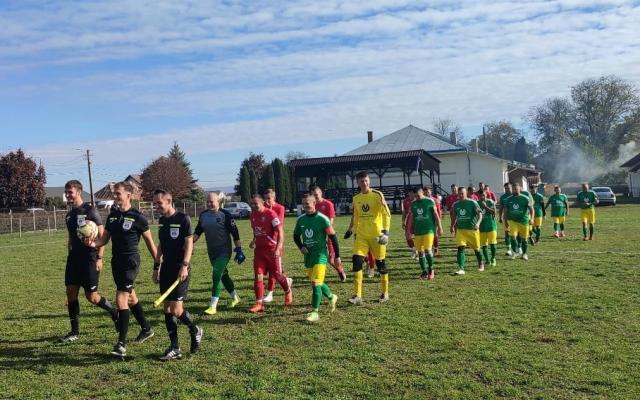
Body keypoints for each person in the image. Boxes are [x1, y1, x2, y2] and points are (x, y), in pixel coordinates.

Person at [89, 181, 158, 358]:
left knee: (121, 299)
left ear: (129, 195)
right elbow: (103, 240)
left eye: (118, 193)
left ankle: (121, 345)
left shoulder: (138, 217)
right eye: (114, 194)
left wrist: (158, 263)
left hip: (130, 262)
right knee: (131, 297)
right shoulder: (112, 217)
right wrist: (92, 243)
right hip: (116, 262)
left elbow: (150, 243)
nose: (115, 196)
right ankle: (147, 328)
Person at [59, 180, 118, 343]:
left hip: (90, 259)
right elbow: (71, 237)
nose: (68, 195)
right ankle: (74, 331)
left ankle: (113, 311)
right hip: (74, 260)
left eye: (70, 192)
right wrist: (69, 252)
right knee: (70, 292)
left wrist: (99, 257)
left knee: (91, 297)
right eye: (66, 192)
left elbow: (102, 236)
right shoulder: (69, 215)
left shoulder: (90, 210)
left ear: (79, 192)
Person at [152, 189, 203, 361]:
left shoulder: (183, 219)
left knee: (176, 309)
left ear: (169, 200)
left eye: (159, 203)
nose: (156, 206)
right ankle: (175, 347)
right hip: (166, 268)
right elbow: (161, 245)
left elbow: (189, 244)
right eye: (155, 203)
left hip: (181, 268)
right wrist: (156, 266)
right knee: (166, 308)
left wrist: (185, 265)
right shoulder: (161, 221)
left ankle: (195, 329)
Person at [344, 171, 391, 304]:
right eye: (361, 181)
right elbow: (356, 216)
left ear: (369, 181)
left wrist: (385, 232)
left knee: (381, 264)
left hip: (377, 236)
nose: (364, 183)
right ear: (357, 183)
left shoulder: (377, 195)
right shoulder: (356, 198)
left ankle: (385, 293)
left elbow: (386, 214)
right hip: (362, 236)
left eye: (366, 181)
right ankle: (358, 296)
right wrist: (351, 229)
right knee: (357, 261)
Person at [193, 192, 243, 315]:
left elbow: (235, 233)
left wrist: (239, 250)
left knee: (216, 275)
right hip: (212, 252)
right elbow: (197, 232)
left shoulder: (225, 215)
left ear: (218, 202)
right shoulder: (203, 215)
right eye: (208, 202)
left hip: (224, 251)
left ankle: (213, 306)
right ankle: (236, 298)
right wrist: (189, 245)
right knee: (223, 275)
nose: (209, 204)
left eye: (212, 202)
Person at [293, 194, 341, 322]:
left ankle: (315, 312)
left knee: (315, 283)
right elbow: (296, 236)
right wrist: (301, 246)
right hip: (308, 256)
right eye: (303, 203)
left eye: (308, 203)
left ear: (314, 203)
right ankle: (331, 297)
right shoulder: (301, 219)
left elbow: (333, 238)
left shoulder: (322, 219)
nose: (305, 205)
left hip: (321, 254)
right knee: (317, 282)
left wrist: (337, 256)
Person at [248, 194, 292, 313]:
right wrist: (253, 240)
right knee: (258, 276)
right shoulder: (252, 215)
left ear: (262, 202)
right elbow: (256, 231)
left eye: (255, 203)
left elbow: (280, 232)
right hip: (259, 251)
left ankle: (288, 291)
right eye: (251, 203)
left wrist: (278, 248)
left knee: (278, 275)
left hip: (272, 250)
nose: (253, 206)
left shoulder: (270, 214)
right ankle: (259, 303)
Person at [310, 184, 347, 282]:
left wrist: (325, 233)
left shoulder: (328, 204)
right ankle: (317, 274)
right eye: (313, 195)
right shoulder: (313, 205)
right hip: (317, 236)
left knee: (331, 259)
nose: (316, 197)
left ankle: (340, 270)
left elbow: (331, 221)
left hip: (328, 234)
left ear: (321, 193)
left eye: (317, 194)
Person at [263, 188, 293, 303]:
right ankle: (287, 281)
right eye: (265, 198)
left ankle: (270, 293)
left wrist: (270, 211)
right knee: (276, 270)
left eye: (269, 198)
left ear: (274, 198)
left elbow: (277, 224)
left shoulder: (280, 208)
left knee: (273, 270)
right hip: (265, 243)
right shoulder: (263, 209)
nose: (266, 201)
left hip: (276, 242)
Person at [406, 187, 443, 280]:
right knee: (420, 252)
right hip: (418, 232)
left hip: (429, 230)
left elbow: (435, 214)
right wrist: (408, 230)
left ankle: (431, 269)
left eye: (418, 196)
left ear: (422, 193)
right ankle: (424, 271)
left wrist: (440, 227)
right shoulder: (413, 204)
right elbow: (411, 218)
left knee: (427, 250)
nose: (417, 198)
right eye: (415, 196)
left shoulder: (430, 201)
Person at [450, 187, 484, 275]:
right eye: (459, 194)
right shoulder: (456, 204)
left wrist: (478, 224)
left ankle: (481, 263)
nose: (461, 195)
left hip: (472, 230)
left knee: (477, 249)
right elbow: (454, 217)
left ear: (466, 193)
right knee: (460, 248)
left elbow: (480, 214)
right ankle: (461, 268)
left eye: (462, 194)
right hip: (461, 230)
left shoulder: (472, 202)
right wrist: (452, 226)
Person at [502, 183, 534, 261]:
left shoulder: (525, 198)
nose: (514, 191)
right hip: (513, 221)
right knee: (513, 237)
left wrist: (532, 219)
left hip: (524, 221)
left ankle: (524, 254)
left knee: (524, 239)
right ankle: (515, 252)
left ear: (520, 189)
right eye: (513, 189)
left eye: (516, 189)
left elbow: (532, 209)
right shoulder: (508, 199)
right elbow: (505, 211)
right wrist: (505, 221)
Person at [478, 189, 498, 267]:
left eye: (483, 195)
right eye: (480, 195)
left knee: (492, 244)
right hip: (482, 227)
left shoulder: (490, 202)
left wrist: (485, 206)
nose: (482, 197)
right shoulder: (476, 203)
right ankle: (487, 260)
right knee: (484, 245)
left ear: (486, 194)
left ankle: (493, 258)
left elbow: (494, 212)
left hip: (491, 226)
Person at [424, 187, 442, 256]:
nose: (426, 193)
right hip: (425, 221)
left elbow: (438, 211)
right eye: (425, 192)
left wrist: (438, 221)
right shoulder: (422, 200)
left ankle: (436, 248)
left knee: (435, 235)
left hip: (433, 221)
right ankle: (429, 248)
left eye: (428, 192)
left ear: (430, 192)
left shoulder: (435, 200)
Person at [401, 188, 418, 258]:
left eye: (412, 193)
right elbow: (404, 212)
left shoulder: (418, 200)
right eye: (410, 193)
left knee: (419, 237)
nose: (411, 194)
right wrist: (403, 221)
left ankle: (420, 252)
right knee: (408, 236)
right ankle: (414, 250)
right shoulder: (405, 201)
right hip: (409, 221)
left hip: (418, 220)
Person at [498, 183, 513, 255]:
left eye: (508, 188)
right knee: (507, 233)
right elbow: (501, 208)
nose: (507, 189)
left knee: (516, 234)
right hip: (506, 218)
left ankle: (518, 247)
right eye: (506, 188)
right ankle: (509, 249)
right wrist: (500, 216)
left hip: (515, 218)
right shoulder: (503, 197)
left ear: (511, 187)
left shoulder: (515, 195)